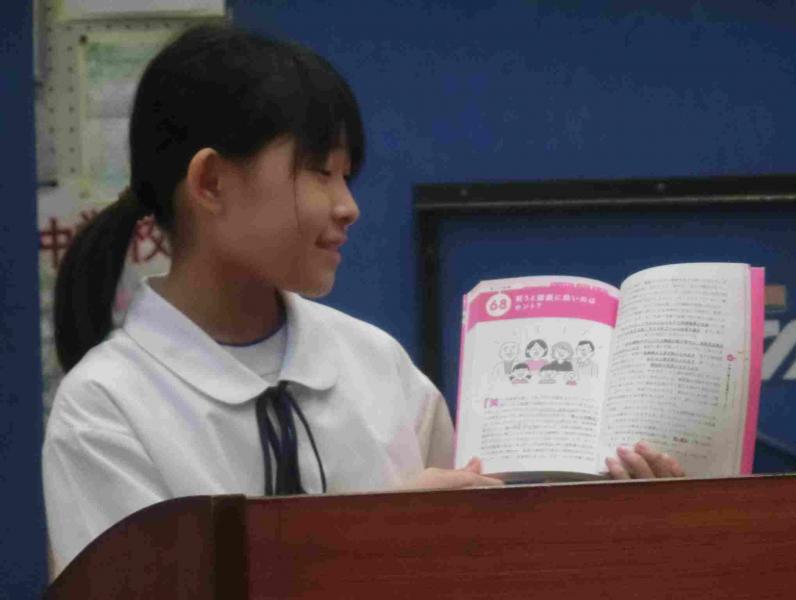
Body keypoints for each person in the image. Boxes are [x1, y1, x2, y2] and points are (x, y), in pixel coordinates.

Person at [42, 24, 682, 577]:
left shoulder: (378, 365)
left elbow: (491, 564)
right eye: (320, 172)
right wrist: (377, 543)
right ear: (210, 182)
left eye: (347, 176)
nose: (347, 206)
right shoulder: (105, 410)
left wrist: (633, 520)